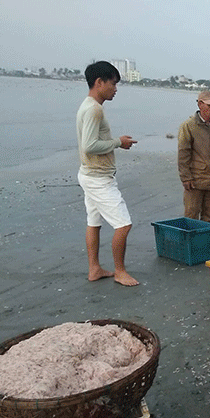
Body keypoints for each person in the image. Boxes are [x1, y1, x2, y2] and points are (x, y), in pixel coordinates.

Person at [76, 61, 138, 286]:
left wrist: (115, 142)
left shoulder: (88, 105)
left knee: (93, 222)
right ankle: (120, 271)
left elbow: (91, 143)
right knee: (123, 224)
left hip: (89, 174)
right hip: (98, 178)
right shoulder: (94, 109)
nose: (115, 88)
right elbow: (89, 145)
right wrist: (118, 143)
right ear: (99, 82)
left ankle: (94, 269)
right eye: (113, 83)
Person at [178, 90, 210, 222]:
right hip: (195, 181)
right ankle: (191, 243)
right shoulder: (188, 126)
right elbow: (183, 154)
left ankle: (205, 242)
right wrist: (185, 177)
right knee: (191, 216)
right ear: (200, 104)